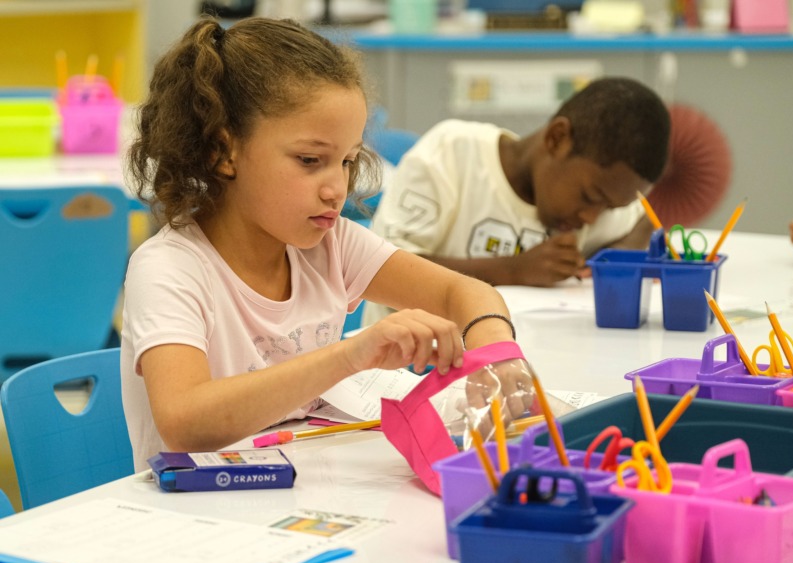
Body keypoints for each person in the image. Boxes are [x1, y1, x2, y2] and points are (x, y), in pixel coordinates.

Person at [121, 16, 532, 472]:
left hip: (297, 497)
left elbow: (467, 293)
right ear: (223, 151)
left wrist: (496, 357)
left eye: (348, 160)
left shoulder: (330, 246)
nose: (337, 187)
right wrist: (350, 356)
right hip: (195, 515)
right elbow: (184, 422)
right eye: (310, 160)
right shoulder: (169, 268)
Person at [364, 77, 671, 325]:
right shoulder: (452, 155)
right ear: (557, 139)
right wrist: (513, 271)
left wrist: (614, 259)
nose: (593, 217)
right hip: (403, 375)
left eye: (609, 208)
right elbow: (379, 271)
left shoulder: (603, 197)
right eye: (590, 197)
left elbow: (645, 221)